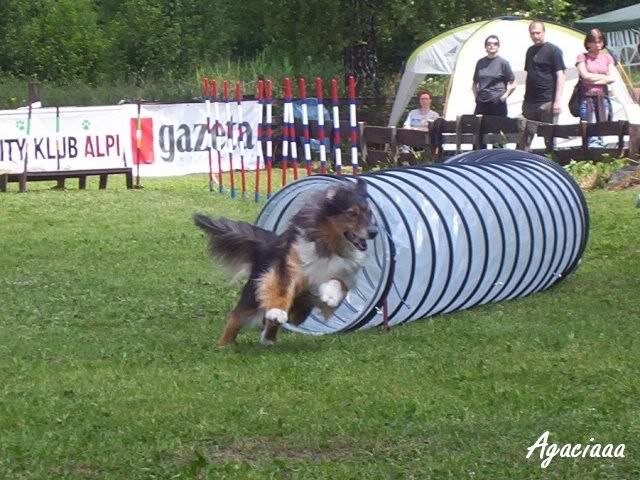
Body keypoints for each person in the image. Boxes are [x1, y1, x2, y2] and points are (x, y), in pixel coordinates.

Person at [576, 28, 615, 147]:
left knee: (602, 128)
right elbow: (584, 75)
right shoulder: (582, 57)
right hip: (587, 98)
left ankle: (601, 151)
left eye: (600, 41)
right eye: (594, 42)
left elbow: (612, 78)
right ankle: (592, 151)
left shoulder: (607, 57)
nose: (598, 45)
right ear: (588, 43)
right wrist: (603, 77)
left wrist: (592, 79)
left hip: (603, 98)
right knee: (589, 129)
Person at [523, 21, 566, 124]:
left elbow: (561, 76)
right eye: (532, 33)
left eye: (538, 33)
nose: (535, 36)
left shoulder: (553, 50)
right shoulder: (530, 51)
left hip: (547, 102)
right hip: (529, 102)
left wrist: (557, 102)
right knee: (527, 133)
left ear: (544, 32)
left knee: (549, 133)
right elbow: (529, 74)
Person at [472, 35, 516, 117]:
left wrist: (505, 96)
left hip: (497, 103)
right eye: (489, 44)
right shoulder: (480, 62)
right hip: (481, 103)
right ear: (485, 46)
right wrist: (476, 97)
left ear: (498, 46)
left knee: (497, 125)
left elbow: (513, 83)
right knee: (478, 125)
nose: (492, 46)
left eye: (495, 44)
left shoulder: (503, 63)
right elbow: (474, 83)